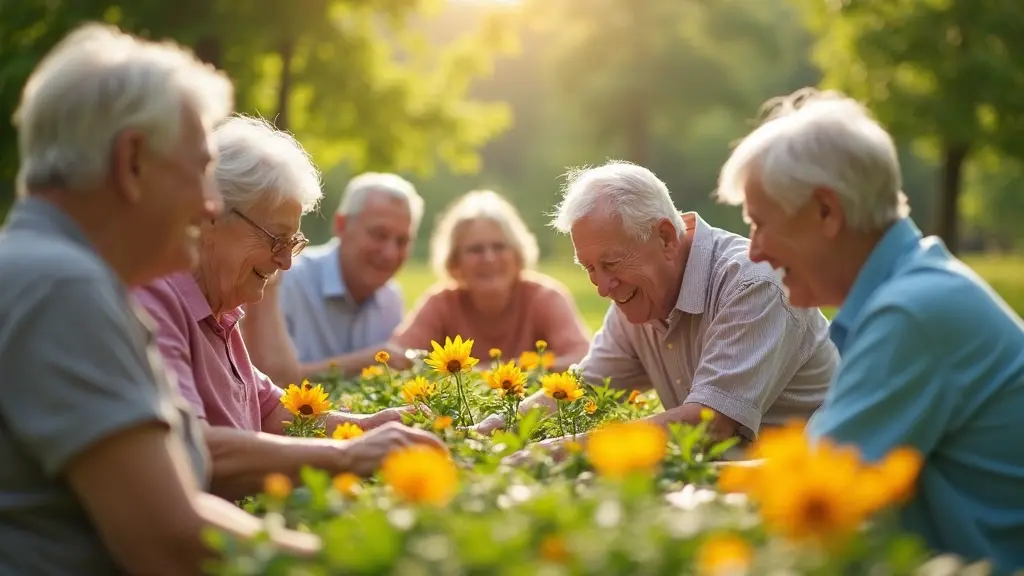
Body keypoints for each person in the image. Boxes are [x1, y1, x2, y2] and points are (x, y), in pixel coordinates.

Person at [0, 23, 320, 575]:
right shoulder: (63, 287)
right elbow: (170, 539)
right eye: (201, 170)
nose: (210, 204)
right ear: (132, 163)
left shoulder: (53, 272)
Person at [715, 88, 1024, 571]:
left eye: (760, 224)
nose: (753, 251)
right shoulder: (914, 291)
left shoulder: (914, 314)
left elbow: (812, 497)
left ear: (826, 211)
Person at [133, 115, 444, 501]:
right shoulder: (155, 299)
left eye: (292, 241)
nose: (286, 262)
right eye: (275, 239)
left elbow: (268, 411)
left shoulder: (221, 311)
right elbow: (192, 450)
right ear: (210, 215)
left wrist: (369, 426)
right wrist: (346, 454)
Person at [478, 161, 837, 457]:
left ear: (665, 237)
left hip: (812, 483)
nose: (603, 288)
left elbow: (710, 423)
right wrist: (491, 427)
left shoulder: (751, 283)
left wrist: (566, 449)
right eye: (589, 269)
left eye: (612, 263)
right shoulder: (638, 297)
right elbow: (580, 389)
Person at [244, 172, 424, 383]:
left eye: (402, 241)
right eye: (379, 235)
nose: (390, 253)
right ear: (341, 225)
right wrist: (365, 363)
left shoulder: (391, 298)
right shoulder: (284, 280)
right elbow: (263, 380)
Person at [391, 189, 591, 370]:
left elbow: (583, 358)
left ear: (517, 254)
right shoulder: (441, 303)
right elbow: (397, 355)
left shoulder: (545, 297)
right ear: (455, 261)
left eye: (499, 247)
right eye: (475, 249)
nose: (489, 258)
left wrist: (507, 372)